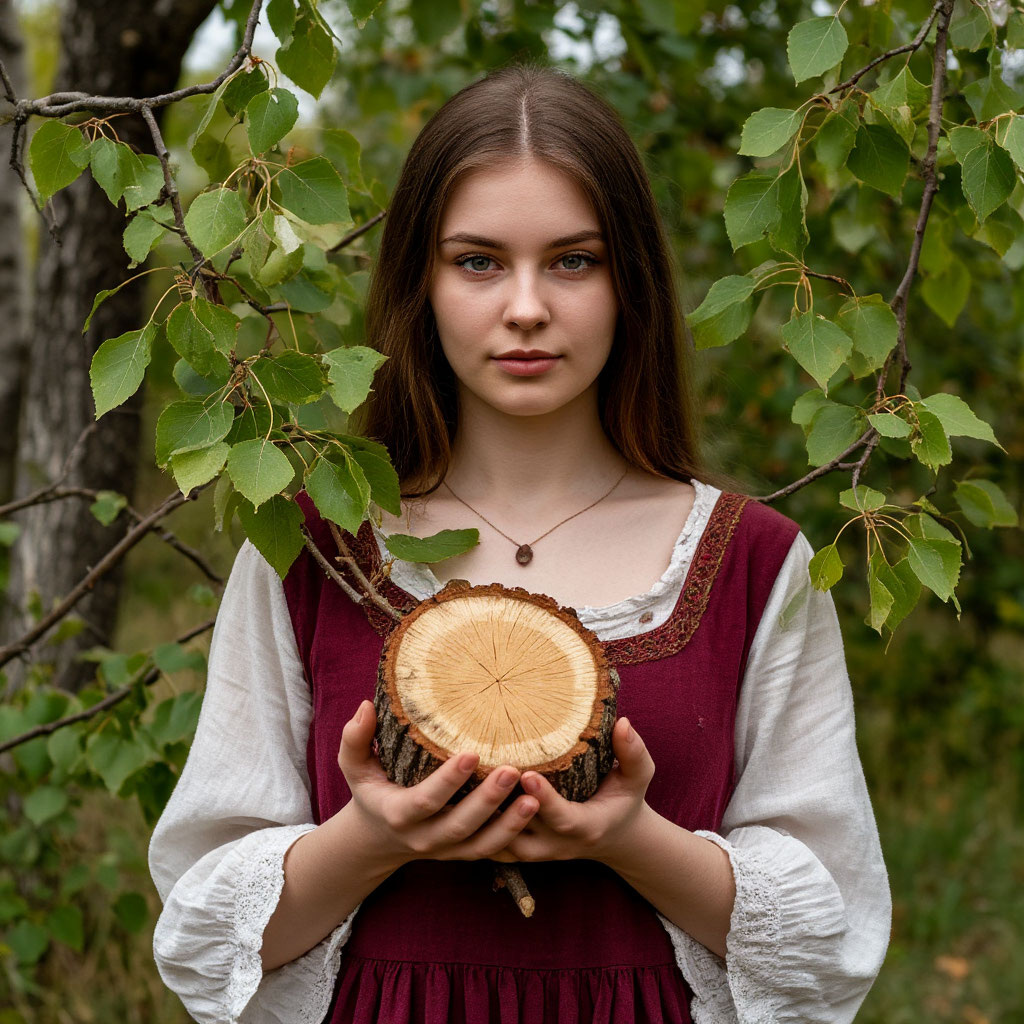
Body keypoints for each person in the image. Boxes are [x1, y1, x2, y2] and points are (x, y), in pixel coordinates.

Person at [148, 62, 891, 1023]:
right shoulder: (312, 548)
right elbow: (210, 940)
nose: (527, 306)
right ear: (421, 276)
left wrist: (630, 837)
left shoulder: (753, 561)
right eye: (479, 261)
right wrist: (372, 835)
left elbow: (829, 943)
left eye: (574, 260)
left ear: (631, 281)